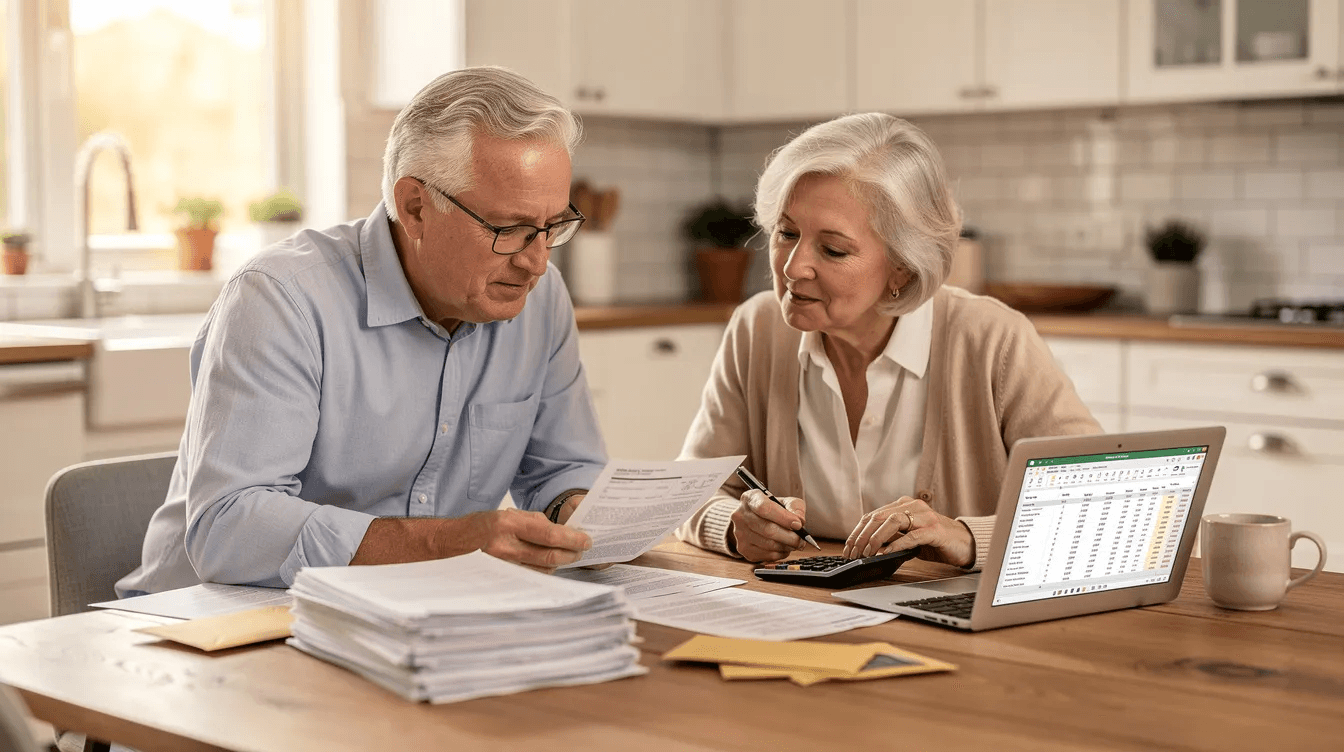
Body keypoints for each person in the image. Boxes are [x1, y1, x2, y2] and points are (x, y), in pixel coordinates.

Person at [118, 67, 605, 596]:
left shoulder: (541, 299)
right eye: (509, 230)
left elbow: (564, 466)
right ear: (416, 207)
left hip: (408, 612)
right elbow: (230, 529)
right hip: (209, 625)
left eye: (553, 227)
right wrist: (443, 545)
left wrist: (573, 505)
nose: (535, 262)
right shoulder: (282, 298)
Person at [675, 112, 1100, 571]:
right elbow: (689, 492)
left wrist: (966, 537)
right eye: (787, 232)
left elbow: (1100, 505)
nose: (793, 267)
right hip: (802, 615)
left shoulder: (992, 340)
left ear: (902, 265)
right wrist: (736, 527)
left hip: (951, 621)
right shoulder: (757, 329)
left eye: (833, 249)